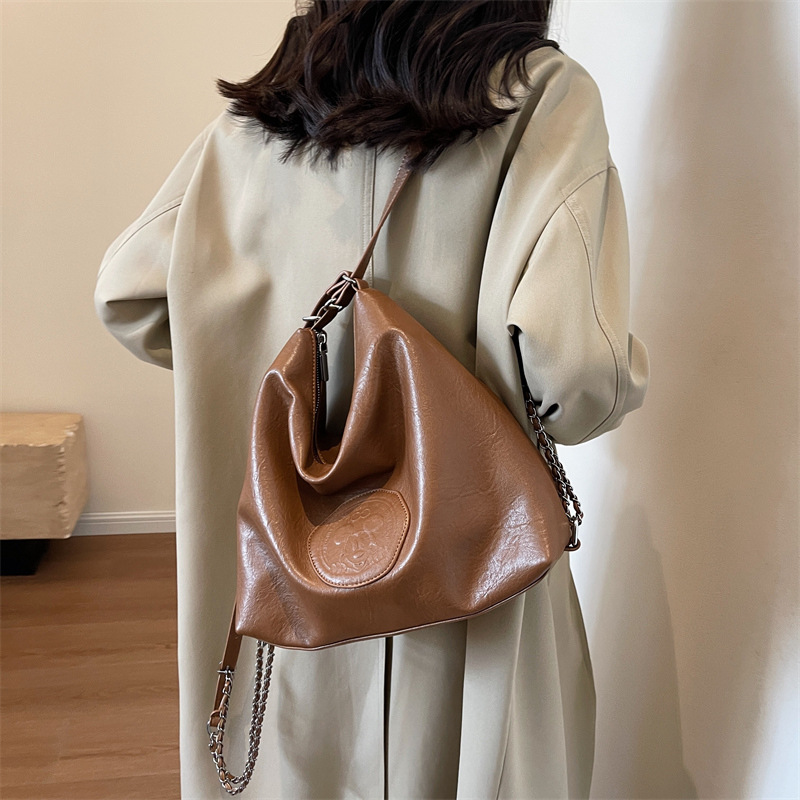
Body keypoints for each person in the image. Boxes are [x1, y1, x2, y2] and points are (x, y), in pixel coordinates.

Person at [94, 1, 649, 797]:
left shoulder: (262, 116)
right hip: (465, 563)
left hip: (285, 556)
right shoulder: (539, 97)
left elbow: (129, 296)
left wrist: (251, 361)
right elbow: (578, 376)